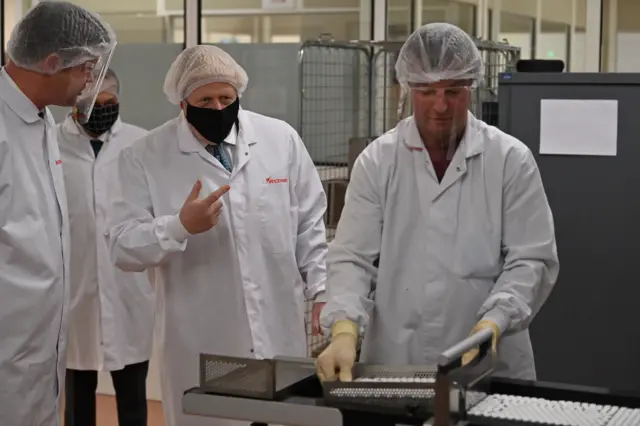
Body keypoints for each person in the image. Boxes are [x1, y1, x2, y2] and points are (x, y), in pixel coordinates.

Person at [315, 22, 559, 382]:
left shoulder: (509, 159)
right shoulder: (378, 161)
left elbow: (531, 259)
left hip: (490, 364)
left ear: (472, 87)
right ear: (408, 88)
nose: (440, 105)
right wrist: (344, 329)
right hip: (397, 362)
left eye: (453, 90)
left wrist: (496, 320)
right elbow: (352, 258)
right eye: (427, 90)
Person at [107, 45, 328, 426]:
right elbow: (122, 246)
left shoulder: (280, 140)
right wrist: (179, 226)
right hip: (205, 343)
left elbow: (309, 224)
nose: (217, 108)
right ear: (182, 102)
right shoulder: (145, 156)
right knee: (218, 418)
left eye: (226, 98)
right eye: (204, 100)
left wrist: (322, 291)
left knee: (286, 419)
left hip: (278, 330)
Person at [0, 2, 115, 425]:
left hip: (38, 342)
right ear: (52, 63)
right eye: (85, 68)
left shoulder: (42, 119)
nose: (90, 80)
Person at [57, 68, 153, 426]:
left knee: (132, 399)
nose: (100, 109)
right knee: (77, 398)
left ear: (119, 100)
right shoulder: (50, 143)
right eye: (90, 103)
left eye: (108, 102)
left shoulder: (141, 144)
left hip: (129, 289)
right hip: (74, 288)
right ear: (74, 106)